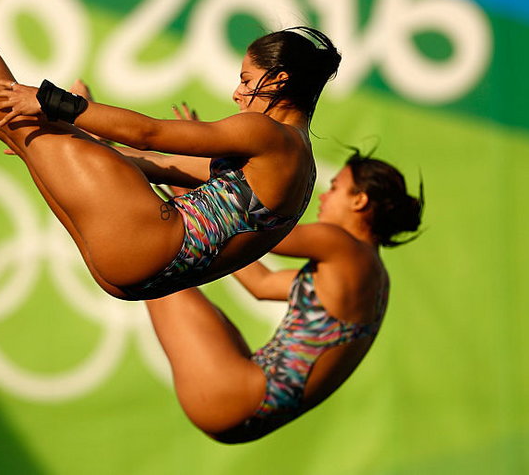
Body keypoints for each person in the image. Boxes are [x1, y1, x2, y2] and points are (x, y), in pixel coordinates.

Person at [0, 0, 341, 300]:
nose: (237, 93)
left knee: (21, 116)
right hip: (138, 276)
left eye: (247, 81)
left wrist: (53, 103)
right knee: (28, 136)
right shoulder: (296, 166)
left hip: (147, 241)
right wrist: (78, 141)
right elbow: (157, 165)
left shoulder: (267, 134)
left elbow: (149, 134)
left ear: (278, 81)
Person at [144, 151, 423, 442]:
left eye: (335, 187)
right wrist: (192, 197)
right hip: (246, 415)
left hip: (233, 396)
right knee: (163, 257)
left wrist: (212, 174)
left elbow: (266, 227)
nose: (324, 197)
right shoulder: (370, 276)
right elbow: (261, 284)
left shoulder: (342, 245)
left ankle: (103, 152)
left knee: (151, 261)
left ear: (359, 200)